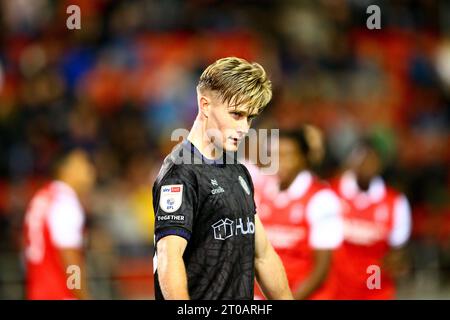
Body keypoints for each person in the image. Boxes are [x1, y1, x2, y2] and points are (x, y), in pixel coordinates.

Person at [152, 57, 292, 300]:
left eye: (250, 117)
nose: (244, 128)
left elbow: (263, 255)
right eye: (236, 114)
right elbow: (168, 257)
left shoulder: (238, 171)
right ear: (205, 105)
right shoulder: (180, 173)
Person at [251, 125, 343, 300]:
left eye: (286, 155)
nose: (278, 162)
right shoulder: (260, 191)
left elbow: (321, 269)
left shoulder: (321, 199)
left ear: (303, 158)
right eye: (273, 155)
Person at [328, 138, 412, 299]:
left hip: (374, 287)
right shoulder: (330, 193)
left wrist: (398, 262)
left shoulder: (395, 202)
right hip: (335, 286)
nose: (368, 165)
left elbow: (397, 249)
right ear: (351, 162)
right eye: (363, 159)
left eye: (373, 160)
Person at [23, 148, 96, 299]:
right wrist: (82, 295)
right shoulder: (65, 201)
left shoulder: (42, 196)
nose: (90, 169)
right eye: (82, 164)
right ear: (65, 169)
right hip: (59, 294)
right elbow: (70, 258)